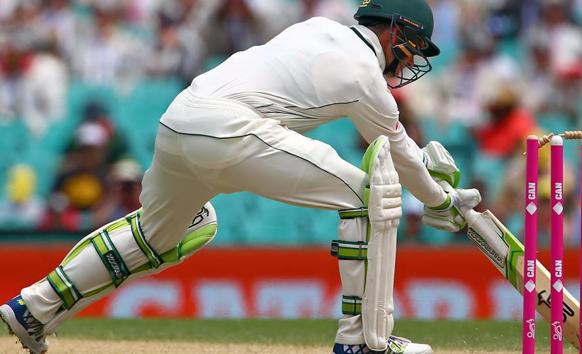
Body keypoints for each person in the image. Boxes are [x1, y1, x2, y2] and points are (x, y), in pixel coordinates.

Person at [0, 1, 481, 353]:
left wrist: (438, 194)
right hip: (230, 129)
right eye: (415, 47)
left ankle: (32, 309)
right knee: (369, 198)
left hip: (179, 119)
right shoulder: (366, 79)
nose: (413, 61)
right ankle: (365, 343)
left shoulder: (315, 27)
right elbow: (399, 153)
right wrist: (442, 202)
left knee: (160, 232)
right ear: (396, 34)